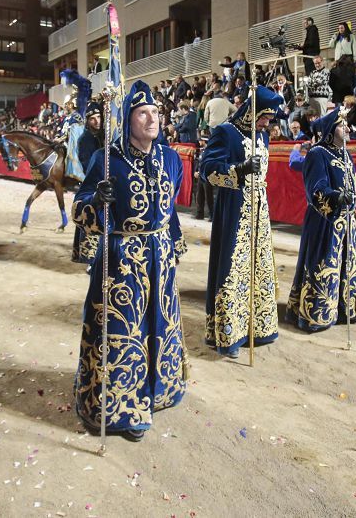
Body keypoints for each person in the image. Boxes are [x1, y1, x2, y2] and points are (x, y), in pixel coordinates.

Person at [71, 81, 188, 441]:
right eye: (143, 113)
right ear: (128, 120)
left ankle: (160, 388)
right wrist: (97, 201)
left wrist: (174, 246)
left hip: (160, 257)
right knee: (124, 331)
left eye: (155, 112)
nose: (152, 119)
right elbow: (80, 208)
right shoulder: (105, 159)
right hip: (122, 261)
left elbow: (170, 211)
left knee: (159, 323)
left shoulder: (170, 158)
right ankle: (122, 405)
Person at [200, 86, 283, 358]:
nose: (266, 124)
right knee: (233, 268)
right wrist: (239, 170)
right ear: (253, 110)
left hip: (259, 211)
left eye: (270, 120)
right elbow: (207, 170)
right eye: (264, 117)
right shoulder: (225, 132)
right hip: (234, 210)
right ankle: (229, 332)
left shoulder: (262, 135)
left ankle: (257, 326)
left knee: (257, 267)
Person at [287, 107, 356, 330]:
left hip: (349, 221)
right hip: (326, 221)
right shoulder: (318, 153)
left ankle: (346, 308)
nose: (348, 128)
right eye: (342, 125)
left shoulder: (345, 153)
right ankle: (319, 311)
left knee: (348, 264)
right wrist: (335, 197)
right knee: (325, 263)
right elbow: (316, 189)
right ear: (329, 129)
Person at [71, 101, 104, 263]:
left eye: (99, 117)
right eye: (93, 118)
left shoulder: (104, 135)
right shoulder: (85, 140)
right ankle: (90, 256)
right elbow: (87, 165)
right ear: (88, 121)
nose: (97, 121)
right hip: (93, 182)